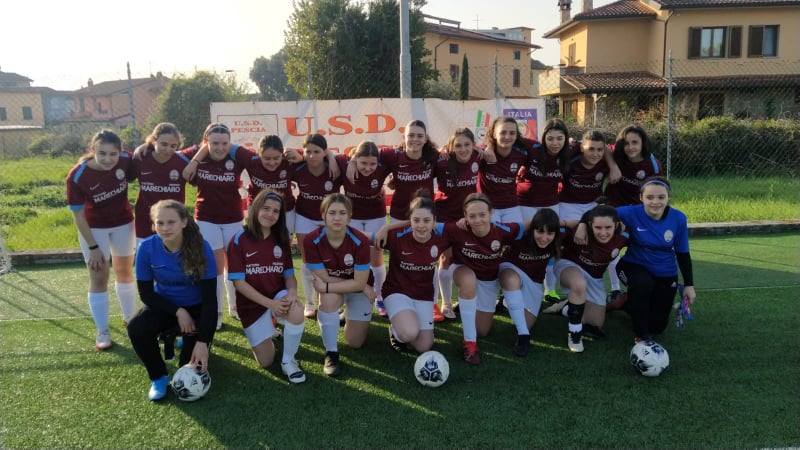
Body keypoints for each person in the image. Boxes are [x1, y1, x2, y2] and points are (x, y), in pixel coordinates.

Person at [378, 193, 526, 365]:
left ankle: (520, 333)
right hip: (462, 272)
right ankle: (469, 343)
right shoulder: (454, 229)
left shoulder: (502, 229)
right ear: (465, 216)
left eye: (482, 215)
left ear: (491, 213)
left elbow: (529, 226)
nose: (477, 220)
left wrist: (554, 222)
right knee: (468, 280)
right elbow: (420, 220)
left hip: (488, 278)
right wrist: (386, 228)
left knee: (479, 331)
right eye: (472, 216)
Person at [127, 200, 217, 401]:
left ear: (184, 222)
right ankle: (158, 377)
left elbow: (210, 300)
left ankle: (192, 341)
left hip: (198, 309)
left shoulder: (202, 248)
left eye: (171, 222)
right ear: (153, 225)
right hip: (165, 307)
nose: (165, 228)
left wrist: (202, 341)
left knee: (190, 365)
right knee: (136, 328)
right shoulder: (146, 248)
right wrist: (178, 311)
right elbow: (146, 294)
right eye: (160, 223)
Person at [66, 129, 138, 350]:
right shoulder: (77, 175)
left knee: (125, 272)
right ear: (93, 151)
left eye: (113, 154)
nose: (108, 159)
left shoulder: (126, 159)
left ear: (120, 152)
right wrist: (93, 247)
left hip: (124, 224)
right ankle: (102, 330)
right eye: (102, 153)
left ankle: (131, 320)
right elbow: (78, 216)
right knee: (99, 276)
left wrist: (146, 146)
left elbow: (143, 156)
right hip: (94, 229)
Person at [227, 189, 306, 383]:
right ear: (255, 209)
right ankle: (269, 326)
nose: (270, 214)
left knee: (296, 310)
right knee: (266, 361)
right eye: (266, 208)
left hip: (277, 295)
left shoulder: (281, 238)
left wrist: (292, 292)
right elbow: (239, 283)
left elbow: (289, 275)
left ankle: (289, 360)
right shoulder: (239, 239)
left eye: (276, 211)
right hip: (251, 305)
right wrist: (270, 305)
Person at [182, 123, 251, 329]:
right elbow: (169, 153)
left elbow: (262, 157)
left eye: (224, 143)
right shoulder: (196, 154)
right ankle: (216, 311)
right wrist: (196, 159)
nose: (220, 148)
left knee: (235, 264)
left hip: (233, 218)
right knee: (216, 265)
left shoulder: (236, 155)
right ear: (206, 142)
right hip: (206, 218)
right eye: (214, 143)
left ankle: (235, 307)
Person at [612, 176, 696, 343]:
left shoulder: (678, 218)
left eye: (661, 197)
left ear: (668, 198)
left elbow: (682, 253)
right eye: (649, 197)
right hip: (632, 266)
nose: (655, 202)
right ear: (641, 197)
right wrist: (584, 225)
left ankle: (626, 302)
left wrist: (689, 285)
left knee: (657, 326)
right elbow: (599, 213)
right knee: (642, 285)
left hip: (665, 272)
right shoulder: (630, 212)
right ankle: (641, 336)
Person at [303, 193, 375, 377]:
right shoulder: (311, 240)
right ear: (323, 215)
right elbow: (324, 277)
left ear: (349, 216)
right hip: (348, 287)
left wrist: (359, 285)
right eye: (332, 213)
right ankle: (331, 353)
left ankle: (345, 315)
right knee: (327, 301)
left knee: (355, 342)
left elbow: (356, 281)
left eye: (342, 213)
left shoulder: (360, 240)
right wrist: (359, 285)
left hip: (356, 289)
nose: (337, 218)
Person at [546, 200, 629, 352]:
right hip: (569, 265)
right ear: (590, 225)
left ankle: (566, 307)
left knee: (595, 324)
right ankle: (574, 334)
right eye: (598, 227)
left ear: (616, 225)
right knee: (579, 284)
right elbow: (548, 233)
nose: (603, 232)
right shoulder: (579, 231)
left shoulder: (623, 235)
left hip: (595, 277)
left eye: (608, 227)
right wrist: (576, 223)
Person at [379, 191, 450, 353]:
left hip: (423, 295)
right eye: (416, 220)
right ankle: (396, 331)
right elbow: (364, 238)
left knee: (424, 347)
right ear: (409, 220)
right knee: (409, 333)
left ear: (434, 222)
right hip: (397, 292)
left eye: (426, 220)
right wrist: (387, 227)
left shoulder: (441, 239)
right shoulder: (397, 236)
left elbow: (463, 228)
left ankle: (406, 322)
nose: (421, 225)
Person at [603, 125, 663, 302]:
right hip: (613, 208)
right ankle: (615, 289)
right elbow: (603, 147)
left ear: (643, 143)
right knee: (610, 250)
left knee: (641, 250)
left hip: (638, 213)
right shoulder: (617, 155)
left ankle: (641, 287)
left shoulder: (653, 165)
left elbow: (658, 193)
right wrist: (613, 166)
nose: (630, 147)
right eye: (626, 143)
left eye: (635, 142)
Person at [291, 134, 343, 319]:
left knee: (332, 260)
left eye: (317, 152)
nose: (312, 156)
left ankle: (331, 301)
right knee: (307, 262)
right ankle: (309, 303)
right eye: (308, 152)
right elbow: (284, 155)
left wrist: (333, 158)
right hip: (304, 217)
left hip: (329, 219)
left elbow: (354, 159)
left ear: (324, 152)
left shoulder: (335, 168)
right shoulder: (298, 167)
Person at [336, 141, 391, 317]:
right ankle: (348, 299)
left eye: (372, 164)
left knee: (376, 259)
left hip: (376, 215)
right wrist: (351, 161)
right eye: (363, 163)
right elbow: (324, 153)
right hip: (352, 217)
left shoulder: (384, 164)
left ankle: (380, 297)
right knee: (350, 259)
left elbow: (404, 153)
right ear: (355, 158)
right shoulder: (344, 162)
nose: (368, 168)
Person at [498, 208, 561, 356]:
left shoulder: (560, 235)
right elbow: (494, 229)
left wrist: (579, 224)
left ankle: (506, 301)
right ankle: (523, 336)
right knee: (510, 279)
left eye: (550, 233)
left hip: (534, 280)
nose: (544, 238)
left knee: (527, 323)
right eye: (540, 231)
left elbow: (580, 223)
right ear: (532, 229)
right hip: (511, 269)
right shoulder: (520, 235)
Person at [433, 128, 480, 321]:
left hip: (468, 216)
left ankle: (467, 298)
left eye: (467, 144)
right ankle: (445, 303)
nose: (463, 149)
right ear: (451, 147)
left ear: (473, 145)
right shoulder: (442, 161)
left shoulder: (479, 157)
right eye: (458, 145)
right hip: (444, 215)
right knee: (446, 258)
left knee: (469, 257)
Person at [131, 122, 191, 242]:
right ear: (154, 141)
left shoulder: (184, 162)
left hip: (173, 222)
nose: (168, 149)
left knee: (173, 253)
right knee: (145, 252)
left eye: (173, 146)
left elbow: (205, 145)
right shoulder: (140, 158)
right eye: (164, 144)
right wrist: (142, 147)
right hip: (145, 220)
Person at [478, 116, 529, 223]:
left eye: (512, 133)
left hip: (511, 205)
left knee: (516, 232)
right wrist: (445, 149)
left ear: (516, 135)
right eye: (503, 132)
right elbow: (464, 149)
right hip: (487, 206)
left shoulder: (522, 154)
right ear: (494, 134)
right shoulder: (483, 153)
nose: (507, 137)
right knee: (494, 233)